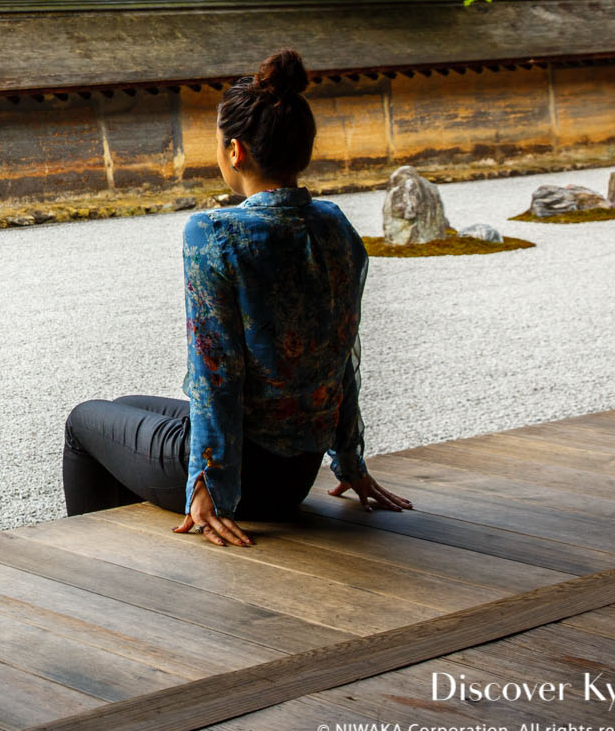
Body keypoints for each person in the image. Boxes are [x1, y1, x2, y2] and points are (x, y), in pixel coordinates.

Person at [60, 48, 411, 547]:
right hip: (294, 475)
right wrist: (350, 462)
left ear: (235, 151)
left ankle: (94, 565)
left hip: (246, 483)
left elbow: (215, 372)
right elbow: (341, 355)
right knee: (125, 405)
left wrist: (209, 487)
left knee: (83, 421)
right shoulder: (335, 226)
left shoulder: (215, 232)